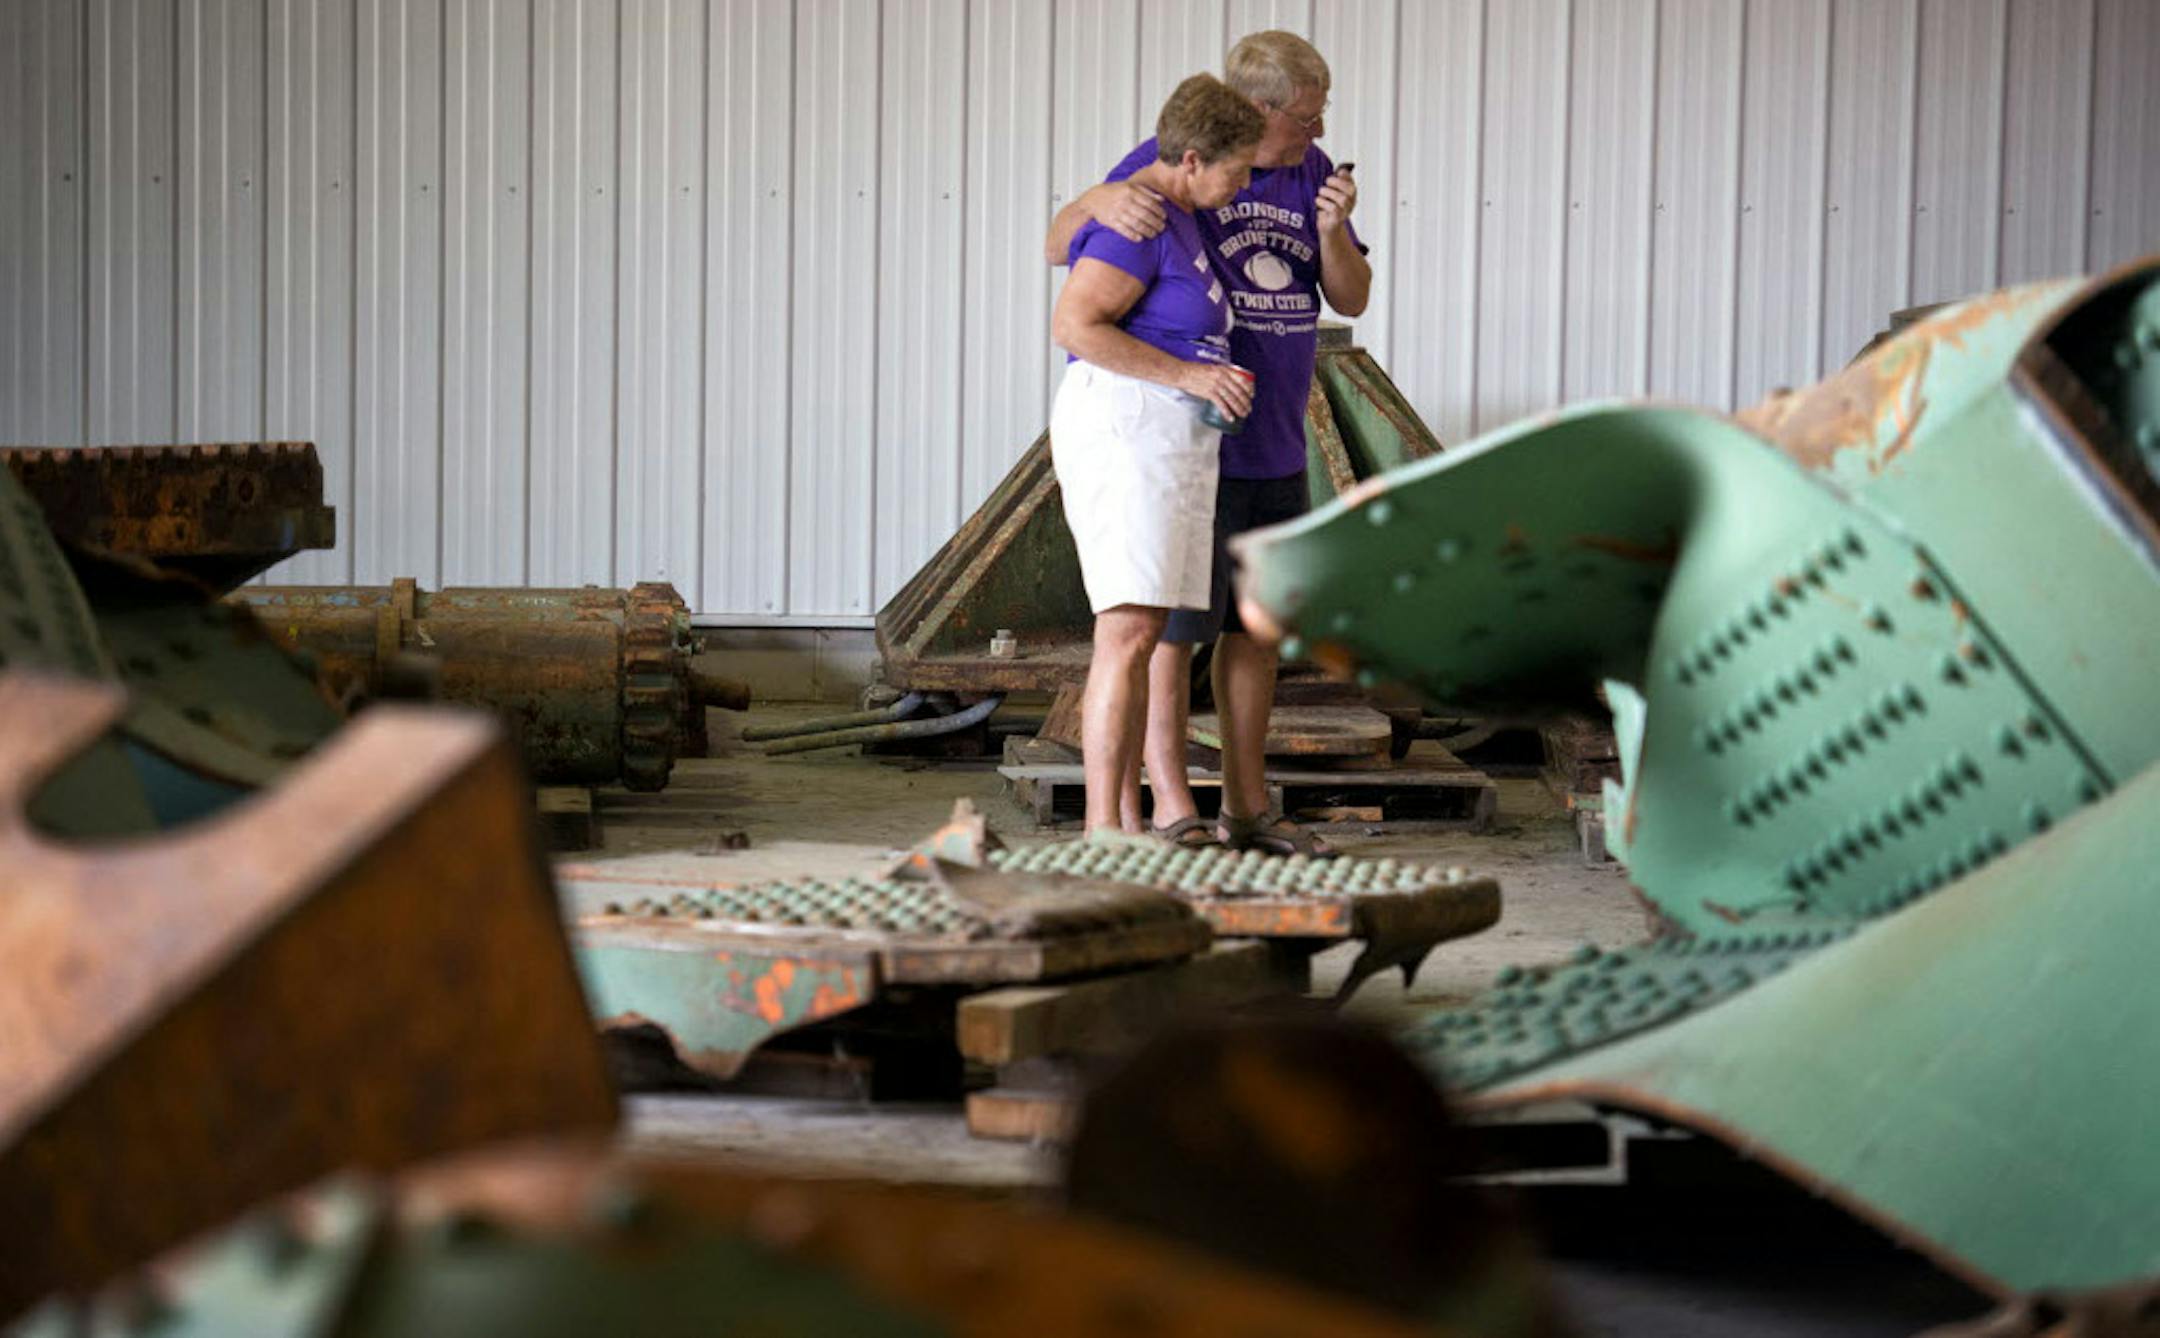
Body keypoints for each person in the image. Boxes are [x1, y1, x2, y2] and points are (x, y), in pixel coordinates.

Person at [1045, 31, 1371, 856]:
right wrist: (1090, 199)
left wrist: (1335, 232)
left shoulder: (1307, 174)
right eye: (1305, 113)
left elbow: (1353, 298)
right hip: (1179, 439)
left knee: (1248, 629)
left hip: (1268, 435)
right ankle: (1160, 809)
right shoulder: (1177, 182)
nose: (1318, 126)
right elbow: (1068, 268)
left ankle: (1244, 807)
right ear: (1250, 117)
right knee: (1157, 629)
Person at [1048, 75, 1267, 840]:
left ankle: (1127, 822)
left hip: (1170, 435)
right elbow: (1074, 325)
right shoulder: (1137, 218)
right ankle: (1104, 829)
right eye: (1237, 171)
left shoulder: (1180, 208)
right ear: (1194, 159)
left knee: (1142, 634)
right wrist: (1188, 373)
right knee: (1127, 632)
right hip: (1127, 427)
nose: (1243, 186)